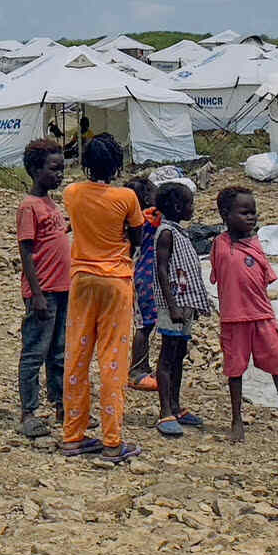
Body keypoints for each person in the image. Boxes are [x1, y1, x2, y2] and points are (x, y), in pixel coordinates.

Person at [60, 134, 143, 464]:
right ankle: (112, 441)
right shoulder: (127, 197)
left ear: (86, 164)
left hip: (81, 279)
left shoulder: (72, 193)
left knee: (77, 356)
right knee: (112, 360)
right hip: (115, 280)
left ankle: (72, 435)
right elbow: (136, 236)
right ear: (117, 164)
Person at [210, 187, 278, 443]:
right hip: (233, 319)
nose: (251, 217)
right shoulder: (218, 245)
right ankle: (236, 421)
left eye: (253, 213)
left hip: (262, 315)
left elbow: (263, 279)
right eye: (244, 213)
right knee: (234, 370)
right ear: (225, 214)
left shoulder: (255, 245)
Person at [15, 139, 70, 438]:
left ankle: (61, 405)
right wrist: (36, 294)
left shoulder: (51, 203)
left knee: (59, 352)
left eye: (62, 169)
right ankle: (28, 411)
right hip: (44, 292)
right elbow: (26, 251)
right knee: (35, 352)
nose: (60, 174)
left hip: (63, 288)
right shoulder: (29, 207)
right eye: (54, 169)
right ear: (35, 170)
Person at [151, 182, 212, 437]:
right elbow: (162, 270)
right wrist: (173, 305)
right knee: (167, 356)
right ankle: (165, 410)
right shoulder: (166, 233)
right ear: (177, 206)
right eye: (189, 203)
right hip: (173, 304)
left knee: (178, 355)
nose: (192, 208)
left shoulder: (179, 232)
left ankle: (175, 406)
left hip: (184, 304)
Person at [125, 177, 161, 393]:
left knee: (145, 324)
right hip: (144, 277)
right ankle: (137, 370)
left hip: (144, 275)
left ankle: (142, 367)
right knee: (144, 325)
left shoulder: (133, 220)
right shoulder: (150, 218)